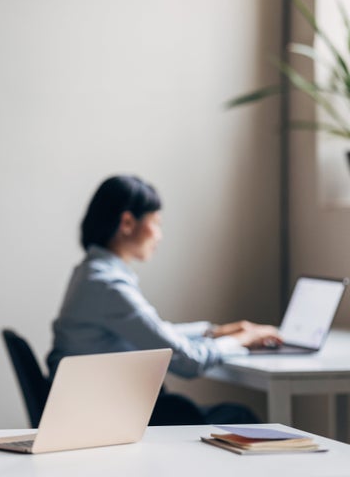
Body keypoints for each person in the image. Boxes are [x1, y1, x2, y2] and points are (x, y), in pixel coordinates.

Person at [46, 175, 281, 425]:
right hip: (108, 415)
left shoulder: (91, 274)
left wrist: (214, 332)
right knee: (239, 418)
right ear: (127, 222)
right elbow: (188, 362)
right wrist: (241, 340)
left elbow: (152, 334)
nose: (160, 235)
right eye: (156, 223)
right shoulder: (108, 286)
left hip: (92, 407)